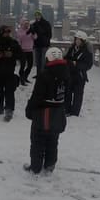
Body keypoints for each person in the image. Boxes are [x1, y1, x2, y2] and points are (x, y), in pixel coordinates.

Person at [24, 47, 70, 175]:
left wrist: (29, 109)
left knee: (37, 142)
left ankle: (36, 167)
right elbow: (67, 94)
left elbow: (37, 95)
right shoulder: (66, 73)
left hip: (43, 113)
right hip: (58, 113)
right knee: (53, 141)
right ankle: (50, 164)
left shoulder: (44, 74)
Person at [64, 31, 93, 117]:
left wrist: (77, 64)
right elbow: (66, 58)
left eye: (79, 40)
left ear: (83, 41)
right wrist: (69, 62)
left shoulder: (86, 51)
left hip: (80, 76)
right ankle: (67, 110)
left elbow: (88, 64)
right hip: (70, 74)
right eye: (76, 39)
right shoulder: (72, 48)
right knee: (67, 93)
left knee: (78, 95)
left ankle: (75, 112)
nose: (77, 41)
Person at [27, 10, 52, 76]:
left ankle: (42, 75)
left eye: (38, 15)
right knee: (37, 61)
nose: (37, 16)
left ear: (41, 15)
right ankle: (38, 74)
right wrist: (30, 28)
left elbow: (49, 34)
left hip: (44, 45)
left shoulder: (46, 23)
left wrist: (46, 40)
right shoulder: (34, 24)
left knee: (43, 61)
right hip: (37, 44)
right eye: (36, 15)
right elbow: (30, 33)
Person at [16, 19, 35, 85]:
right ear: (22, 24)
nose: (26, 25)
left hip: (30, 50)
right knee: (23, 65)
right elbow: (20, 38)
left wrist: (33, 33)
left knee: (30, 65)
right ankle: (21, 78)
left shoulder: (30, 30)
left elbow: (35, 38)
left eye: (27, 24)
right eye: (25, 24)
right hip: (23, 50)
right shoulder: (19, 31)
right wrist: (26, 33)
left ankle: (25, 77)